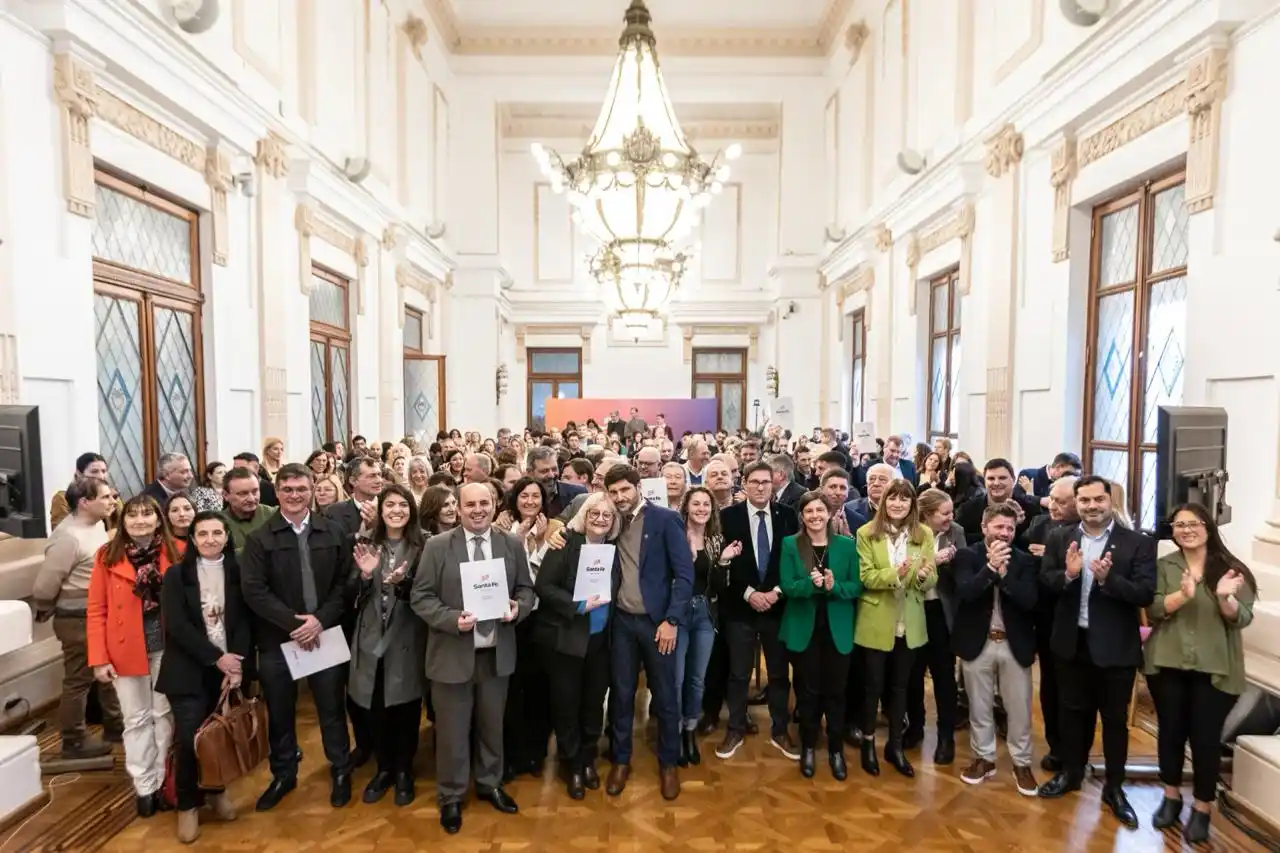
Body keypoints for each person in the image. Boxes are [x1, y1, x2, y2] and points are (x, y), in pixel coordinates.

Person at [410, 482, 536, 834]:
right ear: (459, 509)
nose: (478, 510)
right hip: (452, 655)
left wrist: (518, 608)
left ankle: (489, 783)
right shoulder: (437, 547)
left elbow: (526, 590)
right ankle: (450, 795)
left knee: (492, 726)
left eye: (485, 503)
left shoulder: (510, 544)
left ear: (494, 505)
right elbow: (420, 597)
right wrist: (452, 620)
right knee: (451, 732)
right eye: (470, 504)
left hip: (496, 654)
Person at [1037, 475, 1155, 830]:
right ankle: (1072, 774)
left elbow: (1145, 594)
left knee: (1115, 721)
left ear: (1109, 500)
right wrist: (1069, 576)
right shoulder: (1060, 537)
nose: (1091, 506)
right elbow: (1047, 581)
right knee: (1072, 713)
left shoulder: (1137, 543)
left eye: (1097, 500)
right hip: (1071, 645)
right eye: (1084, 500)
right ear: (1076, 503)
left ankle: (1115, 788)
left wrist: (1108, 580)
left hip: (1115, 648)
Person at [240, 463, 355, 812]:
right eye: (287, 489)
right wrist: (295, 624)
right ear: (276, 493)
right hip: (279, 640)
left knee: (332, 710)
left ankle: (340, 770)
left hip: (325, 634)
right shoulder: (260, 539)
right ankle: (284, 773)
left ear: (311, 491)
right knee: (280, 711)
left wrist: (319, 620)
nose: (294, 495)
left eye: (301, 489)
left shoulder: (332, 532)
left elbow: (345, 582)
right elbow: (254, 591)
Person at [1145, 503, 1256, 844]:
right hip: (1167, 662)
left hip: (1215, 668)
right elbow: (1153, 610)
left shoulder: (1232, 570)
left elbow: (1241, 618)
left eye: (1193, 523)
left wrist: (1225, 598)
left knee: (1205, 741)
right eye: (1179, 525)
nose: (1186, 530)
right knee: (1171, 733)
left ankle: (1203, 807)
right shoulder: (1164, 566)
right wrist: (1184, 594)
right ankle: (1171, 795)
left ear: (1208, 527)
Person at [156, 511, 252, 843]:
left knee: (217, 737)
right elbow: (178, 626)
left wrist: (235, 663)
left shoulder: (239, 571)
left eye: (216, 533)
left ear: (227, 535)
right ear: (193, 539)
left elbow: (244, 621)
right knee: (188, 738)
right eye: (202, 534)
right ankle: (188, 804)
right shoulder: (175, 575)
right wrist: (217, 658)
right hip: (188, 670)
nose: (210, 539)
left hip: (228, 669)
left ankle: (216, 791)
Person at [601, 465, 694, 801]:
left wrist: (671, 620)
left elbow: (685, 576)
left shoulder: (665, 519)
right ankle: (621, 760)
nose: (620, 497)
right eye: (614, 492)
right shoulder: (609, 521)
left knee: (666, 696)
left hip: (658, 624)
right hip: (622, 622)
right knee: (622, 695)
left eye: (625, 490)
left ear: (639, 487)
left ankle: (668, 763)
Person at [86, 494, 183, 817]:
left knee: (163, 715)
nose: (140, 521)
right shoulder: (106, 556)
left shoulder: (177, 552)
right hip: (125, 649)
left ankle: (162, 779)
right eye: (133, 515)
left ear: (159, 519)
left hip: (168, 648)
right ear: (122, 521)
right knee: (135, 719)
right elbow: (96, 609)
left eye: (147, 515)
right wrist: (99, 657)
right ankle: (144, 785)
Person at [533, 492, 620, 799]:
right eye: (594, 513)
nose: (600, 519)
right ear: (585, 515)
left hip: (601, 641)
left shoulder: (614, 550)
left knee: (594, 703)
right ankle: (572, 763)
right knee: (567, 703)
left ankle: (587, 757)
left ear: (613, 522)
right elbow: (543, 586)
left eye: (606, 516)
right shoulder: (566, 543)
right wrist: (577, 605)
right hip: (568, 639)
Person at [715, 461, 801, 761]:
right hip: (741, 608)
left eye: (766, 482)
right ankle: (735, 728)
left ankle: (780, 730)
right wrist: (750, 594)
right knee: (738, 674)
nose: (761, 487)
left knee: (778, 674)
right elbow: (724, 564)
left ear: (774, 484)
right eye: (755, 482)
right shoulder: (727, 517)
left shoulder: (789, 517)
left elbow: (795, 562)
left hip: (777, 607)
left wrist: (774, 593)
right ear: (745, 484)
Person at [952, 503, 1040, 796]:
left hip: (1015, 644)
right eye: (999, 526)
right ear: (985, 526)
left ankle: (1022, 763)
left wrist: (1005, 574)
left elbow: (1029, 600)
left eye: (1010, 528)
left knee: (1019, 709)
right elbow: (965, 591)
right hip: (979, 642)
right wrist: (990, 569)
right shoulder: (967, 555)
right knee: (979, 707)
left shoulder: (1025, 561)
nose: (1004, 533)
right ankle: (983, 759)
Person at [348, 484, 428, 807]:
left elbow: (428, 595)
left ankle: (404, 770)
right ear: (380, 511)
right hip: (371, 640)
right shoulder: (364, 544)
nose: (397, 510)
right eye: (390, 505)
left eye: (403, 505)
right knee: (375, 708)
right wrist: (366, 578)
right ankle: (383, 769)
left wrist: (404, 584)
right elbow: (348, 595)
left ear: (412, 510)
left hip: (406, 638)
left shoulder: (426, 546)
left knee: (406, 710)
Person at [34, 476, 124, 758]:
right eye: (106, 497)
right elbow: (44, 586)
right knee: (79, 679)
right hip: (77, 618)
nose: (113, 502)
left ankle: (116, 726)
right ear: (85, 502)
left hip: (98, 613)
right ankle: (73, 740)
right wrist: (45, 607)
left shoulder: (95, 525)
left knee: (109, 673)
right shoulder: (68, 537)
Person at [854, 479, 936, 778]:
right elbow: (866, 577)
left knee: (900, 688)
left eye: (905, 499)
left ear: (913, 504)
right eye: (893, 499)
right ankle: (867, 743)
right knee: (872, 686)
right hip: (876, 619)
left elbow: (930, 580)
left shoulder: (923, 533)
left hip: (910, 621)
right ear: (884, 502)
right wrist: (896, 574)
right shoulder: (866, 533)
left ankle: (895, 746)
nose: (898, 504)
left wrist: (924, 576)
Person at [778, 491, 861, 780]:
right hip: (804, 629)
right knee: (808, 692)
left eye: (820, 510)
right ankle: (809, 747)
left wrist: (833, 586)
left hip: (837, 629)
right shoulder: (791, 544)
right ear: (802, 516)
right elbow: (788, 585)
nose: (815, 516)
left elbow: (855, 587)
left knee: (837, 692)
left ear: (829, 514)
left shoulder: (847, 546)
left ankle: (836, 750)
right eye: (809, 511)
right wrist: (813, 586)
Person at [674, 486, 731, 766]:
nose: (701, 509)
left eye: (706, 504)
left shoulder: (716, 540)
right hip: (677, 613)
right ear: (686, 506)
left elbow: (721, 586)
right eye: (695, 503)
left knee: (697, 679)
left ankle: (689, 730)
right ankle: (673, 734)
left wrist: (721, 562)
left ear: (712, 509)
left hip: (705, 613)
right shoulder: (674, 536)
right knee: (676, 678)